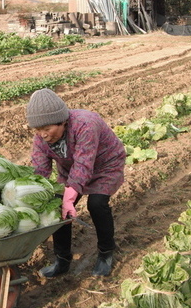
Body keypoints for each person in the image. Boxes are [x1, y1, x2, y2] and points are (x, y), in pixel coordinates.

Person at [26, 88, 126, 277]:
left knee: (96, 204)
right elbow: (40, 169)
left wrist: (69, 198)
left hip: (105, 165)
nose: (43, 135)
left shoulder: (85, 124)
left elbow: (83, 164)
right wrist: (35, 194)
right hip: (71, 170)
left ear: (62, 121)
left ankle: (106, 253)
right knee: (58, 207)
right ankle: (62, 260)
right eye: (38, 130)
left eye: (47, 129)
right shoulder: (41, 138)